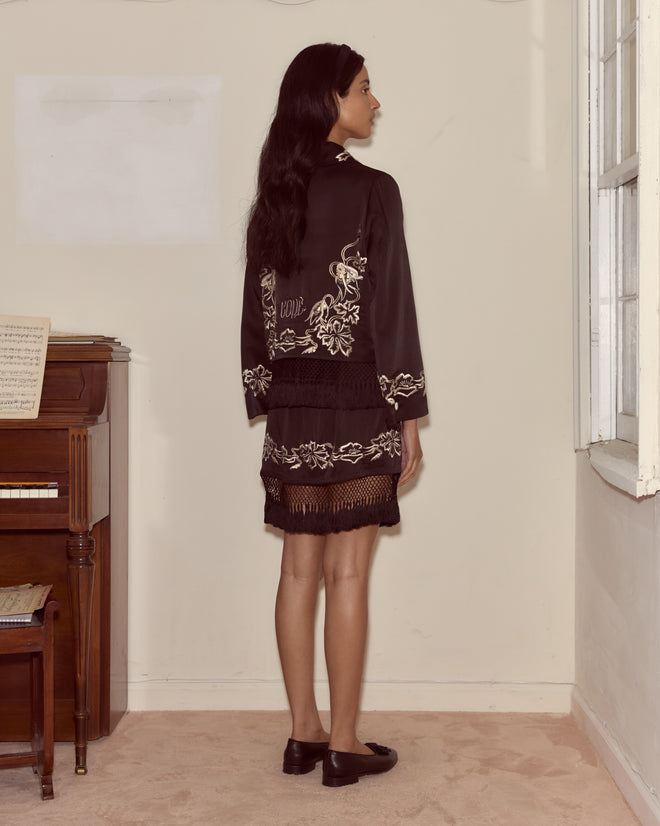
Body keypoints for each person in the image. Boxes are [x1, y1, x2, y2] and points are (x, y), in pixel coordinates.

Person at [241, 43, 427, 787]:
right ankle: (345, 744)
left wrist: (267, 391)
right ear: (328, 100)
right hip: (358, 401)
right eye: (364, 89)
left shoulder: (273, 195)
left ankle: (303, 735)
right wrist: (407, 409)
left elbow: (255, 313)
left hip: (293, 405)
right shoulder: (375, 190)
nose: (374, 103)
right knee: (348, 576)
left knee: (296, 572)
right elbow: (391, 307)